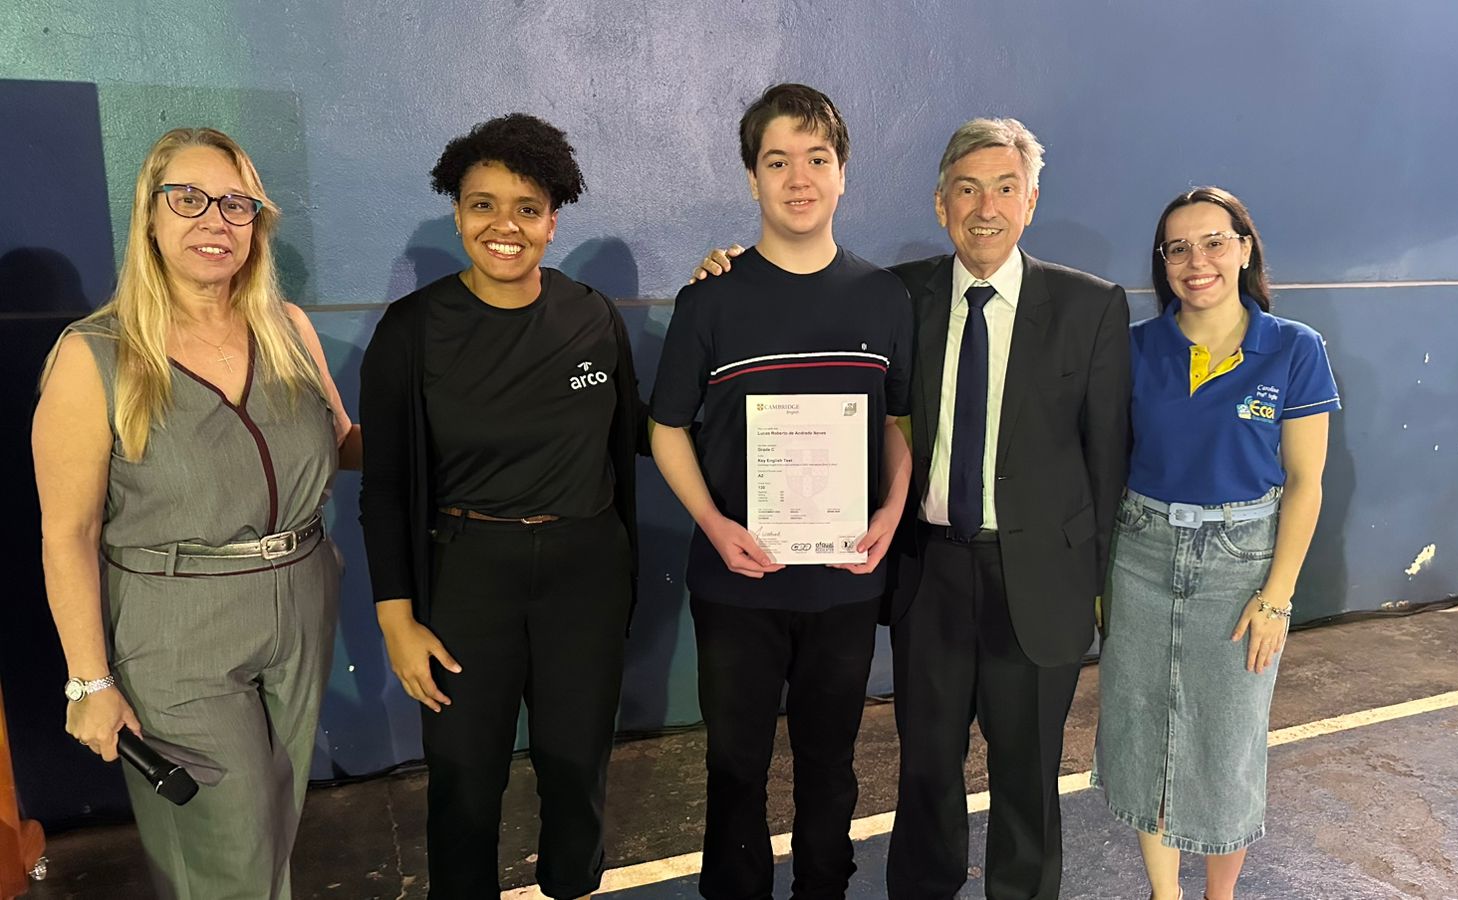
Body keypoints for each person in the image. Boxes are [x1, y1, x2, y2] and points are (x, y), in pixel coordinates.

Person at [693, 117, 1131, 900]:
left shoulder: (1090, 306)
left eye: (1005, 188)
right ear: (940, 204)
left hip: (1039, 576)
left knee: (1027, 772)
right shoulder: (899, 296)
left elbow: (1108, 460)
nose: (985, 208)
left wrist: (1095, 588)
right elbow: (815, 311)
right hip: (929, 571)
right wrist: (722, 269)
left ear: (1031, 201)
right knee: (926, 769)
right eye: (967, 189)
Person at [33, 126, 358, 899]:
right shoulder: (95, 355)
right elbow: (68, 533)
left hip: (303, 598)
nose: (216, 220)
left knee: (274, 824)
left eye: (236, 204)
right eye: (189, 199)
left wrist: (465, 425)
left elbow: (345, 444)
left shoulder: (288, 329)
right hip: (175, 625)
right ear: (150, 216)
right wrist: (88, 682)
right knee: (225, 850)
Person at [358, 113, 644, 899]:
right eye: (482, 204)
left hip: (585, 572)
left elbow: (637, 434)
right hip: (467, 578)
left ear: (553, 221)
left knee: (577, 767)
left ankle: (573, 886)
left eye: (527, 207)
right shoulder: (412, 331)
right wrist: (396, 619)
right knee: (464, 779)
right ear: (458, 214)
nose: (504, 225)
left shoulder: (592, 317)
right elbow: (383, 486)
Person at [650, 83, 913, 900]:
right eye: (777, 161)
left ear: (843, 174)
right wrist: (712, 523)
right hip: (738, 582)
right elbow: (667, 428)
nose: (799, 178)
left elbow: (896, 422)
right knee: (735, 765)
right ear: (752, 177)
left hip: (844, 582)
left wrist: (891, 508)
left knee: (831, 764)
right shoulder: (710, 299)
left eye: (817, 159)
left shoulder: (885, 297)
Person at [1093, 187, 1339, 900]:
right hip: (1140, 553)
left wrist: (1277, 599)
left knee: (1226, 740)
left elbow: (1306, 484)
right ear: (1162, 262)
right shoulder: (1134, 349)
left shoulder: (1294, 349)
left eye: (1213, 242)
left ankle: (1217, 895)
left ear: (1244, 249)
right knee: (1142, 727)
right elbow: (1107, 464)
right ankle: (1164, 894)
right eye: (1178, 248)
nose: (1196, 261)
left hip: (1242, 564)